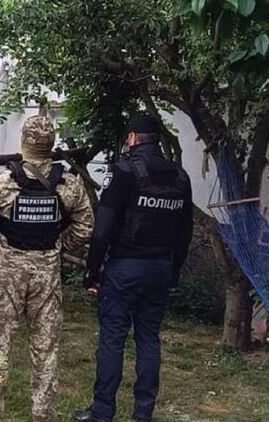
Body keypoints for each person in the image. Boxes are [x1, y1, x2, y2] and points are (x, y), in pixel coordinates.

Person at [74, 114, 193, 422]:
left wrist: (92, 270)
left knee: (113, 338)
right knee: (149, 337)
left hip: (125, 268)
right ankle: (143, 413)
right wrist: (173, 272)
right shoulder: (180, 177)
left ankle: (103, 411)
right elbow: (185, 231)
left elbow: (103, 228)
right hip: (160, 269)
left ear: (133, 138)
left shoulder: (124, 171)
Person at [0, 115, 94, 422]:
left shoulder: (0, 181)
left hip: (7, 276)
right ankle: (43, 415)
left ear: (24, 142)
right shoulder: (69, 184)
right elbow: (85, 228)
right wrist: (58, 245)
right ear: (51, 143)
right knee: (46, 350)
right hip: (47, 276)